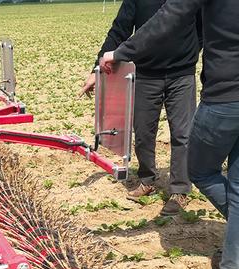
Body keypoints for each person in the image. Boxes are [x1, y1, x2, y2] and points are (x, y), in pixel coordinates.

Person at [99, 0, 239, 269]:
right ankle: (232, 267)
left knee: (198, 168)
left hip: (230, 92)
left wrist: (122, 52)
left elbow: (173, 15)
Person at [78, 0, 200, 216]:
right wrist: (96, 69)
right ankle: (147, 180)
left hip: (181, 74)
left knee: (183, 134)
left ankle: (180, 189)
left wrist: (188, 53)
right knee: (143, 131)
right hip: (145, 74)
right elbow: (119, 31)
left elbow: (203, 27)